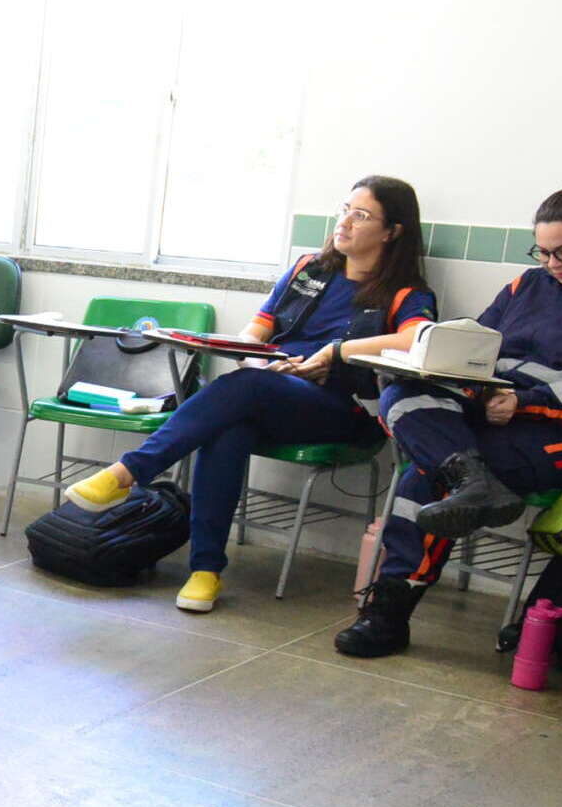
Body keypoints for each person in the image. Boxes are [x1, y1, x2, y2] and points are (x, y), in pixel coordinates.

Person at [62, 177, 437, 613]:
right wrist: (258, 361)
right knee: (230, 426)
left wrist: (335, 353)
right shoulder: (308, 270)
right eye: (344, 209)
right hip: (268, 389)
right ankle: (205, 571)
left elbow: (420, 340)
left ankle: (129, 472)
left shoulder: (407, 292)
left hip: (339, 409)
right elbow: (254, 334)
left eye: (361, 215)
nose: (345, 223)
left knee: (244, 391)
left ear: (392, 231)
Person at [338, 187, 562, 657]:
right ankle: (468, 477)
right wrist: (466, 381)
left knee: (424, 475)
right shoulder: (526, 285)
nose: (553, 263)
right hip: (493, 413)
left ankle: (390, 613)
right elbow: (476, 348)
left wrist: (523, 403)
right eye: (543, 252)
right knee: (401, 390)